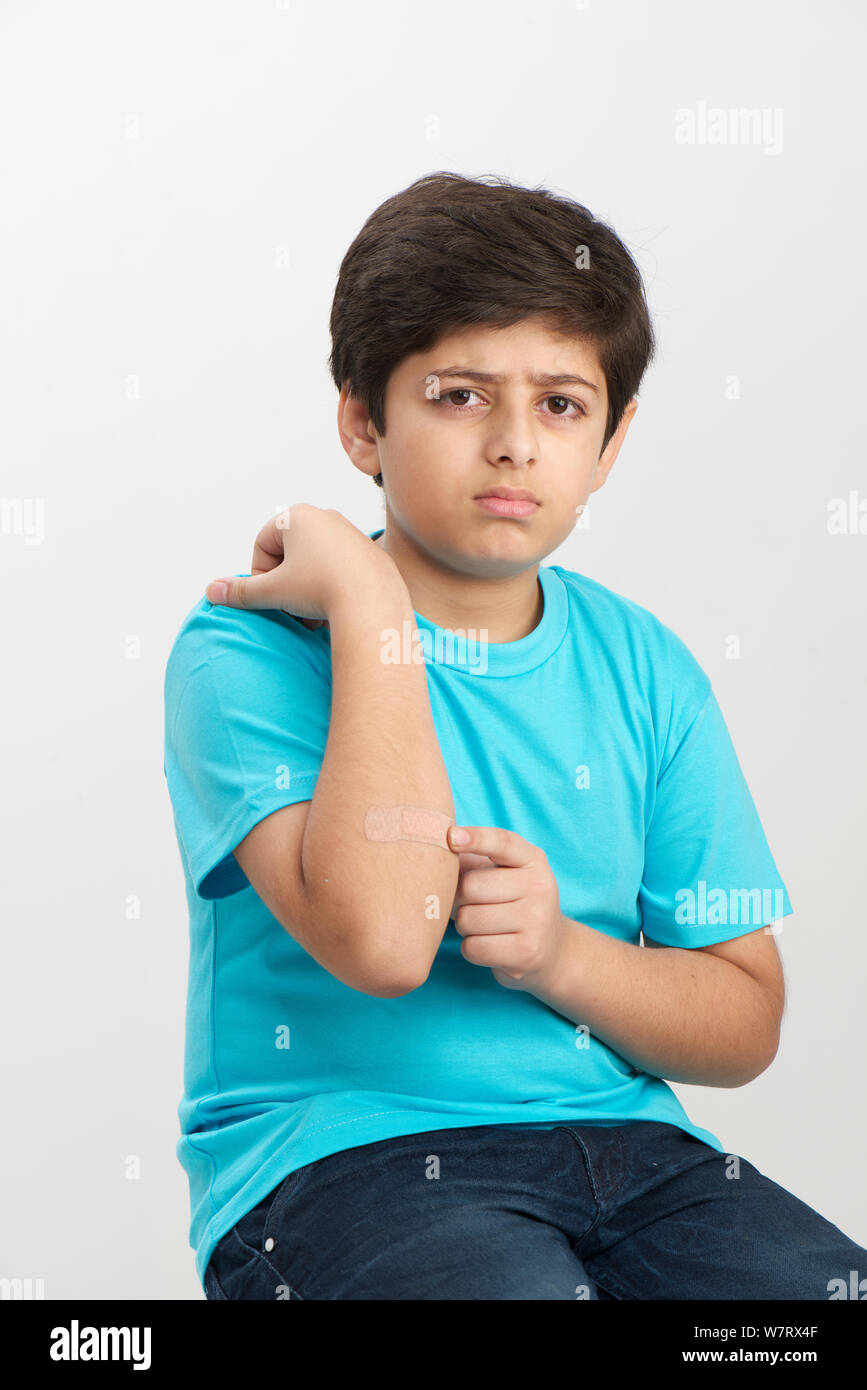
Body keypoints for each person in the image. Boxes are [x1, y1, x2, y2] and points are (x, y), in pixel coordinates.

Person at [163, 171, 866, 1300]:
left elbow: (743, 1019)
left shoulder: (648, 669)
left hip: (638, 1158)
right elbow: (388, 943)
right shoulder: (245, 650)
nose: (513, 445)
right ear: (361, 419)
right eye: (456, 395)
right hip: (342, 1163)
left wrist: (560, 955)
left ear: (612, 438)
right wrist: (374, 610)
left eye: (560, 404)